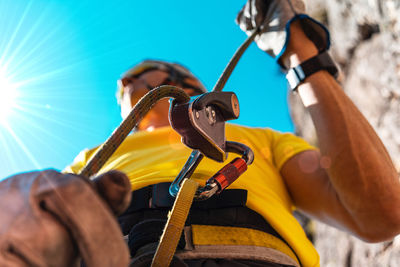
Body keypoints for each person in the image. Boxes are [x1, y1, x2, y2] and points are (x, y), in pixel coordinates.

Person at [1, 1, 399, 266]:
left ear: (186, 83)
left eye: (140, 74)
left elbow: (381, 212)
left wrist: (299, 53)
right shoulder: (91, 156)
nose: (125, 80)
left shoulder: (261, 141)